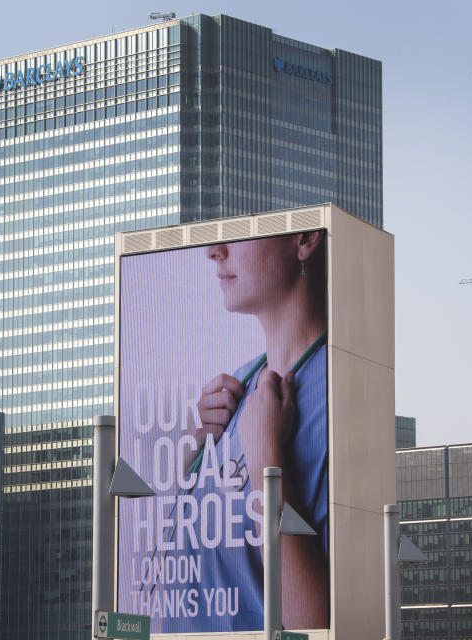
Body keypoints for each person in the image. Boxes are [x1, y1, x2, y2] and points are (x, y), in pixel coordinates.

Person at [184, 231, 329, 632]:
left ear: (304, 239)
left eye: (237, 234)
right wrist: (190, 462)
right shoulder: (232, 395)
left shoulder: (339, 390)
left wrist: (267, 459)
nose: (214, 252)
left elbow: (315, 626)